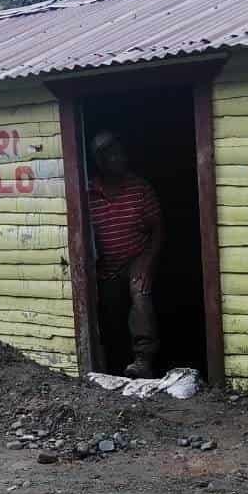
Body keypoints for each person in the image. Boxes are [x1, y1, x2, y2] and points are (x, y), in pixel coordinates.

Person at [87, 130, 161, 378]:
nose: (120, 159)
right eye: (112, 155)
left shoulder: (139, 188)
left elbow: (158, 229)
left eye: (121, 153)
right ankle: (113, 365)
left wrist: (146, 262)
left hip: (135, 258)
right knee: (110, 314)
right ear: (100, 161)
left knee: (139, 292)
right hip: (106, 266)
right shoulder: (87, 193)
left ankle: (143, 360)